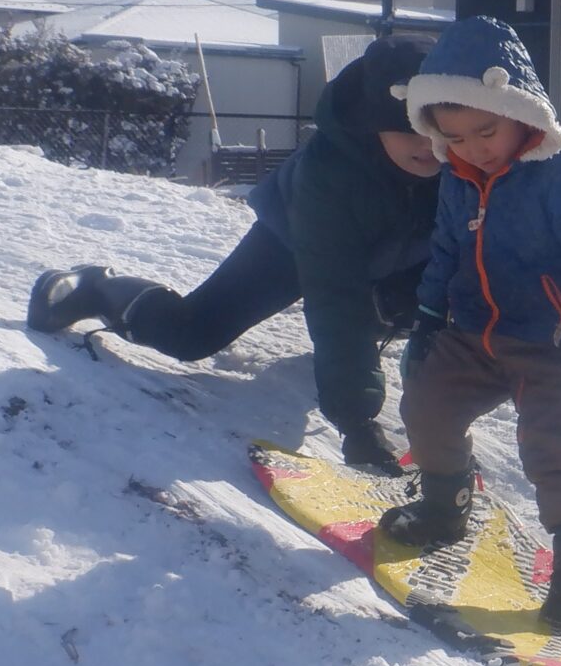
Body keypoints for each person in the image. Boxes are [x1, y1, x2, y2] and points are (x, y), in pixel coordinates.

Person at [24, 36, 441, 473]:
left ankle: (370, 335)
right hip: (295, 246)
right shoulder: (328, 175)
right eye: (407, 130)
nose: (426, 145)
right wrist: (356, 421)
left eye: (435, 130)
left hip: (393, 256)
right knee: (192, 335)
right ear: (371, 123)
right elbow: (335, 293)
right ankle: (97, 287)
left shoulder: (465, 159)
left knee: (432, 304)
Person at [375, 16, 561, 632]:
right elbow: (446, 251)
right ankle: (446, 506)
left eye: (486, 131)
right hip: (473, 333)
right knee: (427, 406)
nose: (473, 148)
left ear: (521, 111)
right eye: (455, 137)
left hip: (553, 344)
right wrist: (428, 320)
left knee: (556, 444)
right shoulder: (458, 180)